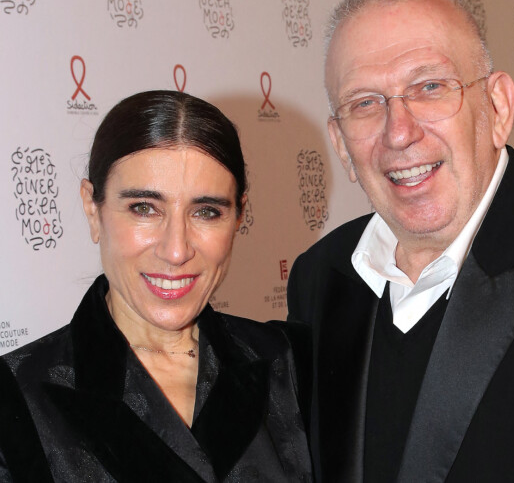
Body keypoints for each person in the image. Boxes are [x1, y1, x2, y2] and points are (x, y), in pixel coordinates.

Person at [287, 0, 514, 482]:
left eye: (429, 87)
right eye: (364, 104)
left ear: (497, 107)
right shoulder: (320, 278)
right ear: (340, 144)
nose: (399, 132)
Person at [0, 90, 313, 482]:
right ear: (92, 209)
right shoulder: (13, 396)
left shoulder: (290, 363)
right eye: (144, 208)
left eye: (206, 212)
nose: (176, 250)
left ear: (237, 217)